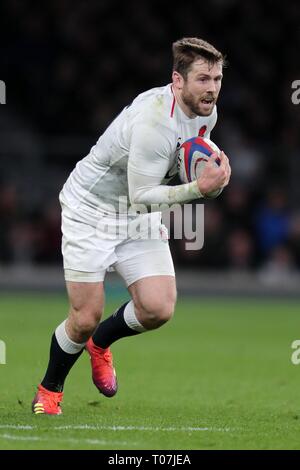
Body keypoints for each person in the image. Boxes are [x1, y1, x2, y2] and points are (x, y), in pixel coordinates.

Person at [32, 37, 231, 415]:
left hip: (135, 214)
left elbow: (189, 152)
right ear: (177, 80)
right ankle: (50, 389)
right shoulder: (154, 121)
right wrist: (197, 190)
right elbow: (142, 194)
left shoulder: (208, 113)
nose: (212, 88)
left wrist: (212, 171)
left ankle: (100, 344)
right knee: (84, 317)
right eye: (203, 79)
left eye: (218, 78)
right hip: (91, 209)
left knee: (158, 308)